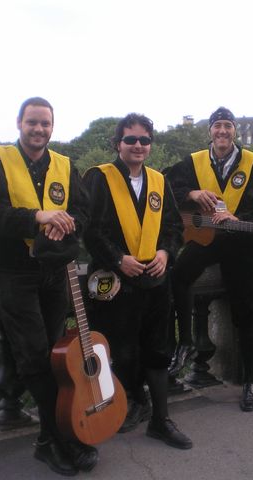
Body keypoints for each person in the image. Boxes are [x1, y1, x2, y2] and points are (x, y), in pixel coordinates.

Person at [0, 97, 98, 476]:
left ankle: (59, 434)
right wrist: (39, 217)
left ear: (52, 127)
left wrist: (66, 224)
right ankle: (54, 439)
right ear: (19, 123)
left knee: (57, 355)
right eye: (32, 122)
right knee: (35, 357)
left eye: (45, 123)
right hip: (12, 270)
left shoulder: (64, 165)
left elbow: (84, 211)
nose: (39, 129)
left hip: (54, 270)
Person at [81, 113, 192, 449]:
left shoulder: (158, 181)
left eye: (145, 140)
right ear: (118, 143)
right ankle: (130, 403)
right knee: (121, 350)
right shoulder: (99, 178)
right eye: (131, 139)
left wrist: (166, 253)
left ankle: (161, 419)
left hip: (155, 279)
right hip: (116, 281)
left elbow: (174, 226)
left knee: (158, 350)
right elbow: (90, 230)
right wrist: (118, 260)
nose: (138, 145)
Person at [166, 107, 253, 412]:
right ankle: (186, 341)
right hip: (205, 239)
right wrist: (192, 193)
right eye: (217, 126)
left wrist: (239, 218)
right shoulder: (195, 161)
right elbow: (164, 185)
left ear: (234, 130)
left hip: (240, 244)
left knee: (245, 312)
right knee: (178, 275)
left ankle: (249, 381)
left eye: (227, 126)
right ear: (210, 131)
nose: (222, 131)